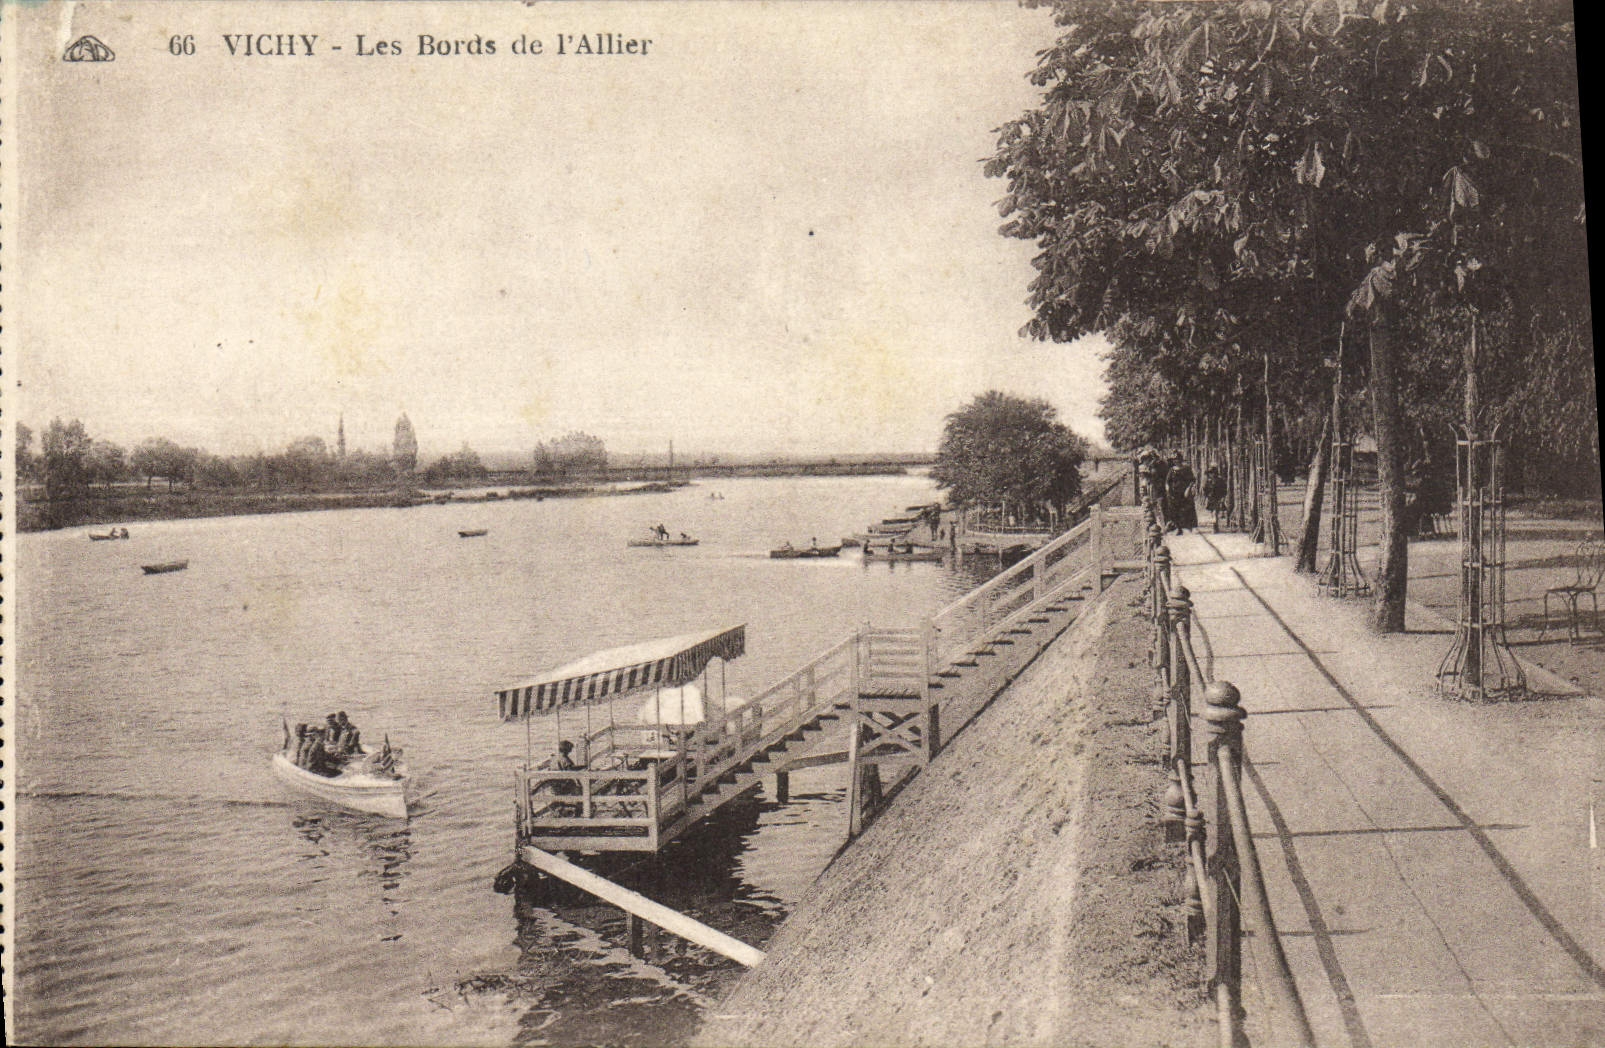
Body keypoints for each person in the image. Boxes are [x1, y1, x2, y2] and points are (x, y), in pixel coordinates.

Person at [1166, 453, 1197, 533]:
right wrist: (1168, 489)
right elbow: (1167, 481)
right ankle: (1178, 528)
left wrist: (1189, 488)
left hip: (1185, 492)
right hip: (1174, 493)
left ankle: (1190, 526)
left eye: (1177, 459)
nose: (1176, 461)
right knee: (1175, 510)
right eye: (1175, 460)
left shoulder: (1186, 469)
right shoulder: (1171, 470)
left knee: (1187, 509)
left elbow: (1192, 480)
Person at [1203, 466, 1229, 532]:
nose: (1211, 474)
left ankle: (1215, 526)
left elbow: (1224, 490)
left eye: (1212, 473)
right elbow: (1205, 490)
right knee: (1212, 512)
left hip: (1218, 498)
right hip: (1210, 498)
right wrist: (1206, 498)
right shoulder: (1208, 481)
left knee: (1215, 512)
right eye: (1210, 473)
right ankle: (1215, 525)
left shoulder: (1220, 480)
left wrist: (1223, 498)